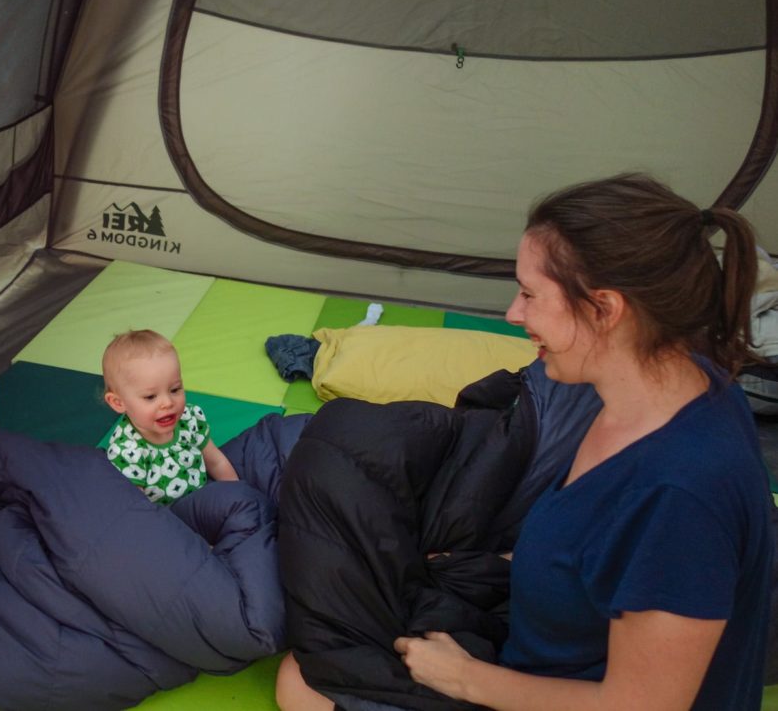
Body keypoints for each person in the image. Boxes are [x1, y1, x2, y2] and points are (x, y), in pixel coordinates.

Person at [276, 174, 773, 711]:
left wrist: (465, 678)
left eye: (530, 295)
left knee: (301, 683)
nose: (514, 314)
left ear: (604, 310)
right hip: (541, 640)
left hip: (558, 691)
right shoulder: (673, 384)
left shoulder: (680, 497)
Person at [100, 329, 239, 503]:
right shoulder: (126, 451)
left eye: (174, 390)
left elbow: (215, 461)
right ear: (118, 403)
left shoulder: (188, 419)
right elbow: (136, 510)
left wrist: (237, 492)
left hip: (204, 501)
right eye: (150, 397)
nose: (167, 403)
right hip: (167, 521)